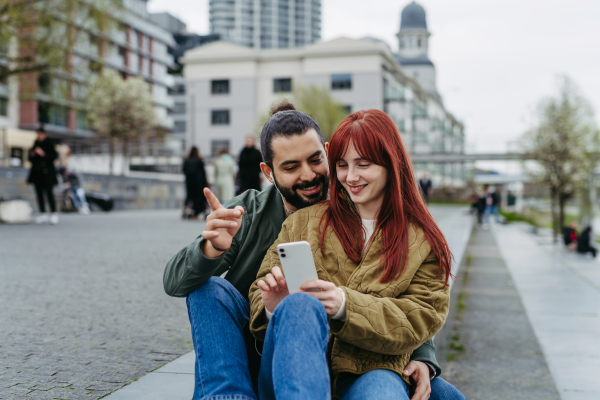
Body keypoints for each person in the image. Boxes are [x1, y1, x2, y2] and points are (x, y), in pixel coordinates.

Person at [164, 102, 465, 400]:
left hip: (365, 362)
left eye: (315, 160)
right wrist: (213, 248)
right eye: (292, 167)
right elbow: (177, 280)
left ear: (326, 151)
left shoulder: (384, 213)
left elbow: (418, 306)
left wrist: (424, 358)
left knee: (441, 395)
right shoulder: (252, 214)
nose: (309, 175)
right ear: (268, 172)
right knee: (212, 289)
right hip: (266, 352)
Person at [249, 109, 459, 400]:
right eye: (342, 165)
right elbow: (259, 288)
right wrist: (274, 307)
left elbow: (421, 316)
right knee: (299, 305)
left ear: (390, 164)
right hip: (295, 369)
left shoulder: (422, 240)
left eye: (363, 164)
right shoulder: (303, 222)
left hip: (374, 371)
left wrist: (344, 304)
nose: (350, 177)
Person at [27, 126, 59, 225]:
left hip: (48, 173)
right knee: (39, 194)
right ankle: (42, 213)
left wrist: (42, 153)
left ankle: (53, 213)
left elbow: (54, 156)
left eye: (41, 134)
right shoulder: (36, 143)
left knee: (49, 193)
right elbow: (30, 158)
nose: (39, 136)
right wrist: (33, 153)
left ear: (45, 134)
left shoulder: (49, 143)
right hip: (37, 174)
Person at [183, 146, 207, 219]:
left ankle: (186, 209)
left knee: (189, 196)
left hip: (189, 182)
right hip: (198, 182)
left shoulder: (186, 160)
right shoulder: (199, 160)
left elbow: (184, 170)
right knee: (197, 198)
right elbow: (203, 172)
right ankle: (195, 212)